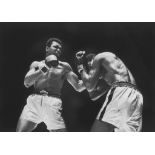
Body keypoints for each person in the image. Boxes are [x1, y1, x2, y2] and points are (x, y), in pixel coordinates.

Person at [16, 38, 85, 132]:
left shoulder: (64, 66)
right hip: (34, 102)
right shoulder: (36, 64)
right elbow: (27, 82)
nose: (58, 49)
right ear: (47, 48)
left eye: (60, 48)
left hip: (52, 102)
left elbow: (78, 87)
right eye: (56, 47)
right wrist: (46, 67)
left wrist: (91, 74)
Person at [75, 51, 143, 132]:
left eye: (92, 68)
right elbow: (93, 95)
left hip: (121, 92)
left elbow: (89, 86)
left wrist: (81, 69)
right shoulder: (112, 71)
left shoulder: (99, 57)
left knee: (98, 131)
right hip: (137, 97)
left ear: (93, 61)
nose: (93, 72)